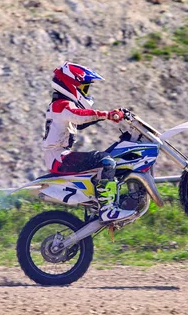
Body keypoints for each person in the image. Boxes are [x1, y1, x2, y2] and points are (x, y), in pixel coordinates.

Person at [42, 61, 136, 223]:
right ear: (71, 85)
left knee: (111, 155)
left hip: (59, 156)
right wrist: (107, 114)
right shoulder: (62, 105)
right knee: (106, 162)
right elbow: (79, 115)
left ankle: (99, 204)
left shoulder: (60, 106)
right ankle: (107, 209)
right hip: (59, 158)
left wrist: (112, 118)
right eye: (84, 88)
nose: (86, 92)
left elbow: (82, 121)